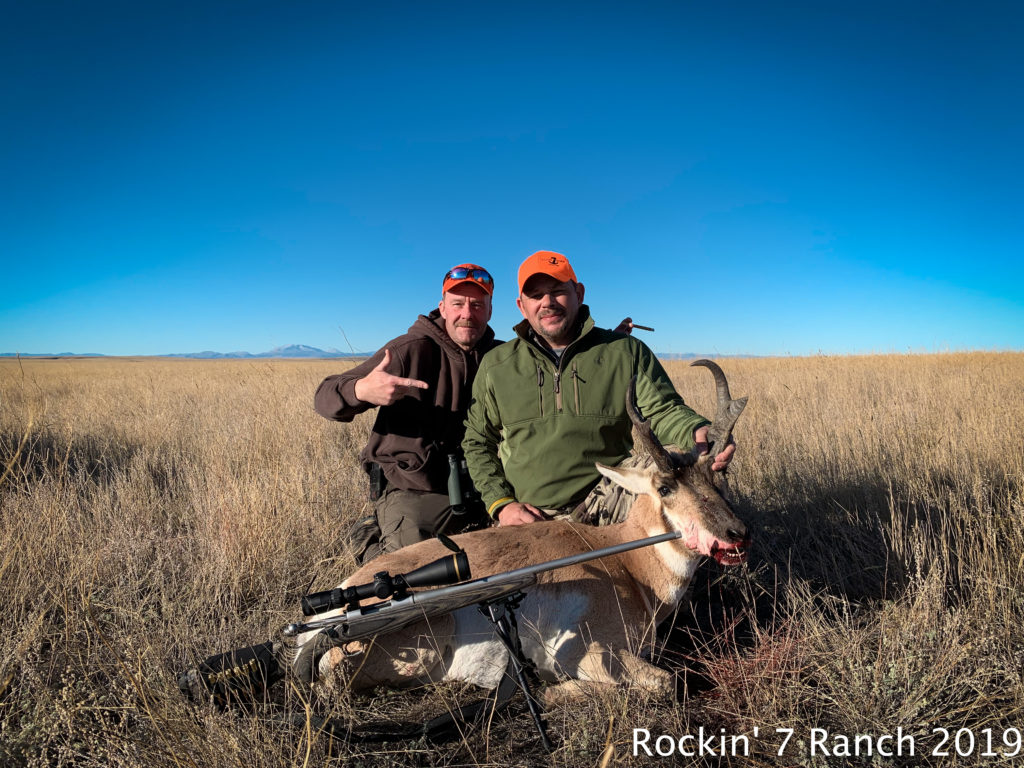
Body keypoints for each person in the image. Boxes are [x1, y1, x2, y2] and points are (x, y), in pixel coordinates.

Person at [463, 250, 735, 527]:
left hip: (609, 499)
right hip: (530, 514)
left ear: (578, 294)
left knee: (677, 471)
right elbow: (477, 442)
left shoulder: (624, 351)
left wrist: (696, 431)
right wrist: (502, 504)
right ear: (521, 306)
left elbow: (663, 410)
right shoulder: (497, 364)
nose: (547, 302)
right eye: (536, 296)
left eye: (558, 291)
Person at [315, 264, 501, 560]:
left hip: (477, 484)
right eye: (457, 304)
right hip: (412, 486)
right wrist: (362, 390)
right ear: (442, 307)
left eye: (477, 304)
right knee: (411, 575)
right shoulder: (410, 349)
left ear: (490, 311)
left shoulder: (501, 358)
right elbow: (324, 396)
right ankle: (367, 538)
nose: (467, 313)